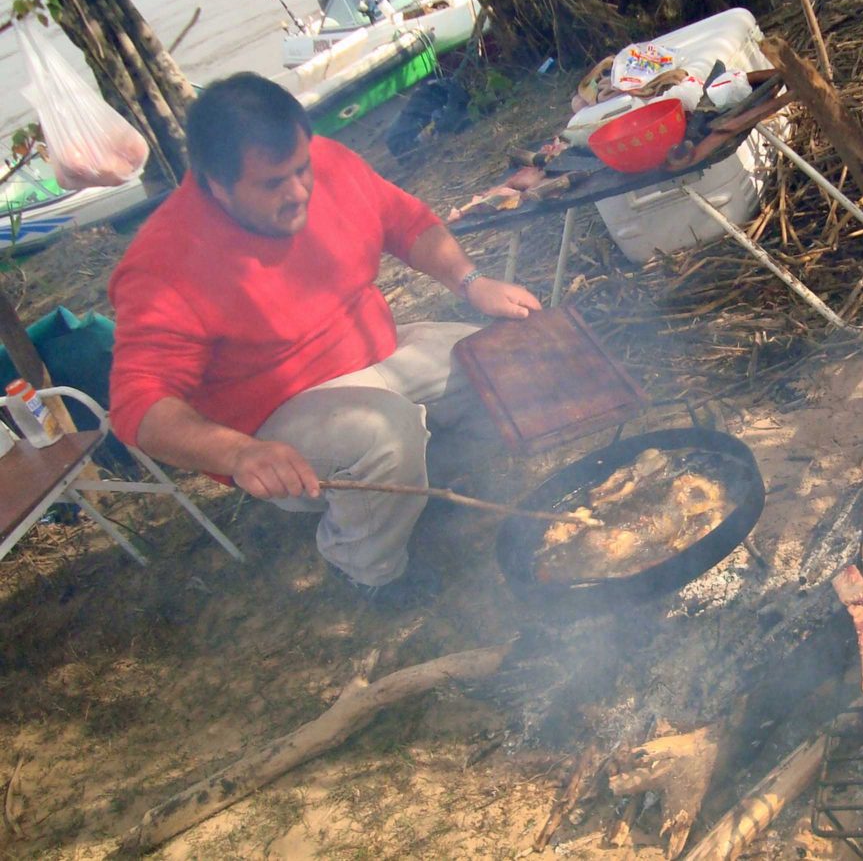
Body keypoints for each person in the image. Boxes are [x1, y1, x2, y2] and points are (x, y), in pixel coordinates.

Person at [108, 72, 540, 592]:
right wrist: (239, 454)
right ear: (216, 185)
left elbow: (406, 222)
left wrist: (471, 283)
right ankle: (367, 569)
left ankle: (422, 488)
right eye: (273, 184)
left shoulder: (326, 162)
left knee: (502, 359)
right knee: (384, 432)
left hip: (380, 354)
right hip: (282, 420)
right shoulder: (163, 265)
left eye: (300, 169)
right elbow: (140, 406)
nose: (298, 192)